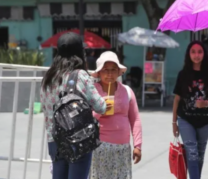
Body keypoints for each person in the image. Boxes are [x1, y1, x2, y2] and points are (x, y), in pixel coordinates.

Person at [40, 32, 107, 179]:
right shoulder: (80, 75)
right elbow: (100, 107)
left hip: (54, 140)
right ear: (80, 52)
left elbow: (44, 108)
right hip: (78, 139)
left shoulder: (48, 77)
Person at [90, 51, 142, 179]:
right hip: (99, 148)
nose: (109, 74)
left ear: (119, 72)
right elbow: (86, 119)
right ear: (99, 72)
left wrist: (138, 145)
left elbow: (135, 119)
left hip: (122, 149)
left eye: (113, 70)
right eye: (105, 70)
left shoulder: (127, 91)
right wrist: (99, 110)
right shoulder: (92, 91)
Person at [172, 41, 208, 179]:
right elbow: (176, 100)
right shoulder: (183, 74)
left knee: (199, 155)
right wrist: (174, 123)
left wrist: (206, 103)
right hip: (186, 119)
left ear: (204, 54)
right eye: (193, 52)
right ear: (188, 54)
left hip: (205, 121)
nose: (196, 55)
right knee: (192, 153)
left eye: (200, 52)